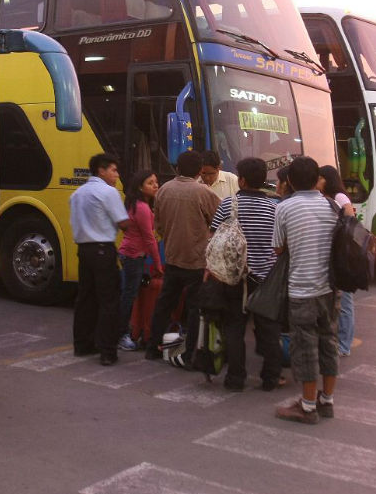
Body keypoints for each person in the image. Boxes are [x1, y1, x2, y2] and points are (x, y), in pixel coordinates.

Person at [273, 157, 340, 424]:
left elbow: (277, 248)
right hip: (329, 289)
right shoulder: (332, 206)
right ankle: (327, 401)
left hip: (301, 289)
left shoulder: (285, 208)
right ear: (317, 180)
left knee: (306, 347)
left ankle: (308, 407)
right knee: (328, 344)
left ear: (289, 181)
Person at [208, 157, 280, 391]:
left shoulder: (229, 204)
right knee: (268, 329)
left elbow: (214, 237)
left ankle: (235, 378)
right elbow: (280, 245)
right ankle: (270, 378)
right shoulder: (274, 207)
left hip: (233, 278)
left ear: (242, 180)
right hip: (265, 279)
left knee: (234, 328)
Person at [145, 151, 220, 362]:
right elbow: (219, 220)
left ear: (177, 168)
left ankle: (153, 347)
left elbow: (157, 224)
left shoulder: (163, 190)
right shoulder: (203, 192)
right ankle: (189, 354)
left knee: (164, 304)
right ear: (199, 171)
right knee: (195, 308)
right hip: (197, 260)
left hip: (172, 257)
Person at [70, 153, 134, 365]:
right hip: (103, 250)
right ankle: (108, 351)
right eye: (113, 170)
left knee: (85, 298)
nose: (116, 175)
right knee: (109, 301)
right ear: (101, 170)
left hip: (84, 251)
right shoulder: (108, 192)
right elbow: (123, 223)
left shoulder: (77, 194)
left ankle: (82, 344)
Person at [116, 170, 161, 352]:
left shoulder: (138, 204)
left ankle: (133, 330)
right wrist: (157, 263)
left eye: (156, 182)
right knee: (129, 295)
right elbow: (149, 239)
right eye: (150, 183)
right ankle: (121, 334)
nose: (155, 185)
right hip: (133, 256)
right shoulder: (141, 207)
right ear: (140, 187)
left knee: (133, 293)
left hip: (132, 255)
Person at [317, 166, 357, 356]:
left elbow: (350, 220)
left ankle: (344, 344)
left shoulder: (339, 197)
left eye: (320, 178)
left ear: (327, 179)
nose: (317, 182)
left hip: (342, 255)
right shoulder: (324, 197)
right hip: (332, 254)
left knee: (345, 303)